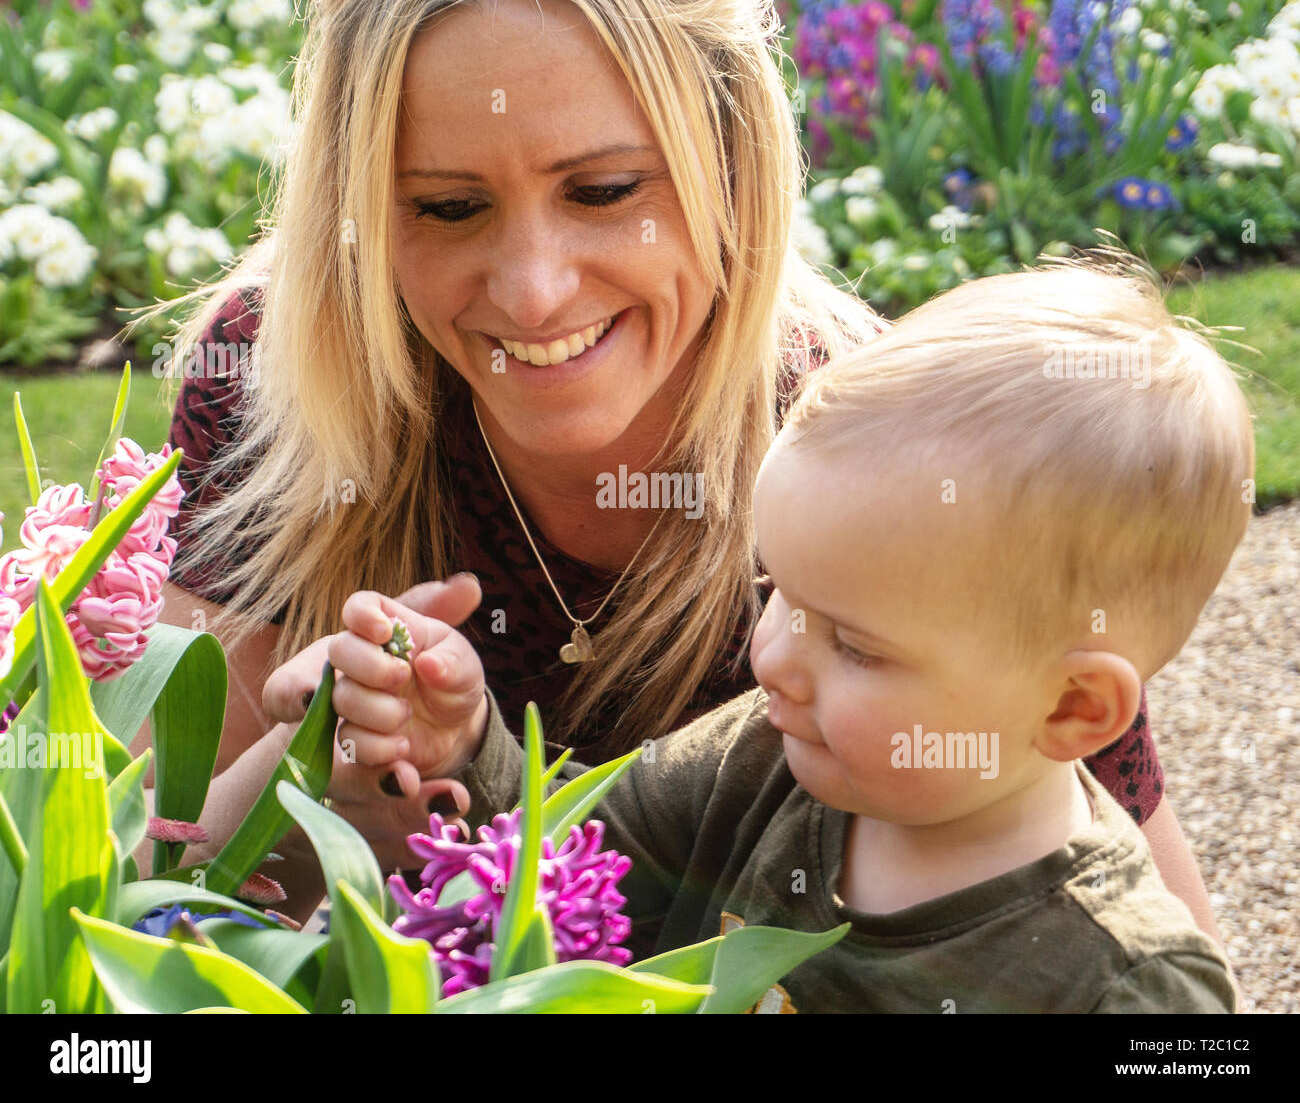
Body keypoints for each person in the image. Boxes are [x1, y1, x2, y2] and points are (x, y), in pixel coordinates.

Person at [135, 0, 1210, 938]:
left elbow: (1149, 942)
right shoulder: (273, 380)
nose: (534, 291)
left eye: (605, 191)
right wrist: (314, 791)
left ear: (735, 154)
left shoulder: (893, 472)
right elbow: (138, 891)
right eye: (450, 207)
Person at [338, 262, 1247, 1012]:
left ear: (1075, 707)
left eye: (854, 645)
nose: (772, 659)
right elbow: (569, 868)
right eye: (777, 594)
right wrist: (466, 744)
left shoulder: (1128, 984)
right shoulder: (760, 761)